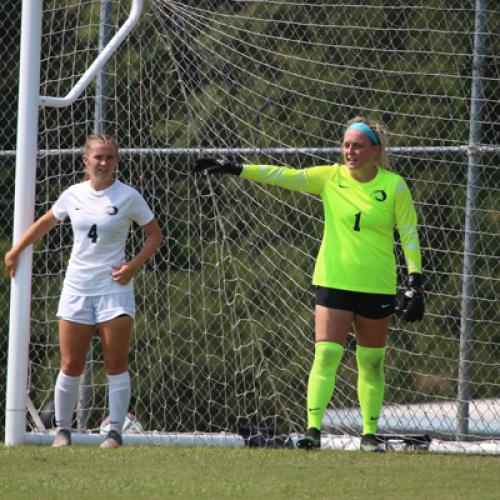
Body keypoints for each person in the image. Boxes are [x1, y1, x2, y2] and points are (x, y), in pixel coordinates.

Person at [194, 117, 424, 452]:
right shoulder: (330, 177)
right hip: (333, 280)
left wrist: (415, 281)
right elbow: (285, 176)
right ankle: (312, 430)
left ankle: (369, 434)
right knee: (327, 352)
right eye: (346, 144)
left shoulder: (394, 186)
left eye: (358, 145)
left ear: (376, 150)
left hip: (376, 284)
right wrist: (236, 168)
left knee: (371, 361)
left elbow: (409, 234)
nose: (350, 151)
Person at [5, 134, 163, 449]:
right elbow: (46, 222)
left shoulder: (128, 196)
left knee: (115, 363)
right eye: (98, 157)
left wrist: (132, 266)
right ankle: (62, 432)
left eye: (109, 158)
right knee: (70, 364)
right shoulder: (72, 194)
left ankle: (115, 432)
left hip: (113, 290)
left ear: (116, 161)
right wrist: (16, 250)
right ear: (86, 161)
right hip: (76, 288)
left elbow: (154, 235)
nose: (103, 163)